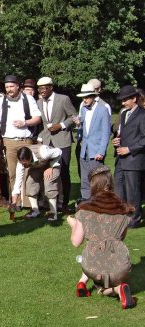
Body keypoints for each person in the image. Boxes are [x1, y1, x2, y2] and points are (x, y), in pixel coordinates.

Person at [67, 166, 136, 309]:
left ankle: (108, 288)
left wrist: (74, 224)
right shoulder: (124, 210)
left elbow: (76, 242)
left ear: (92, 185)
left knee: (100, 286)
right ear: (110, 182)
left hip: (92, 264)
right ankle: (118, 287)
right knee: (109, 274)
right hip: (119, 264)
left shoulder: (84, 209)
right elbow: (121, 237)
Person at [0, 75, 42, 206]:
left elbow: (37, 118)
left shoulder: (28, 98)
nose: (9, 89)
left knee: (29, 172)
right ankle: (16, 202)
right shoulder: (1, 101)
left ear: (18, 86)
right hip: (9, 142)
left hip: (26, 140)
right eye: (7, 87)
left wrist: (25, 122)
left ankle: (31, 202)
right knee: (13, 173)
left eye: (11, 86)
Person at [37, 77, 77, 214]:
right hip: (47, 142)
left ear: (51, 87)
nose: (42, 91)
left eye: (44, 88)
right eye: (39, 88)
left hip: (62, 140)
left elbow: (74, 116)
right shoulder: (38, 102)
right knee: (49, 173)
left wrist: (61, 125)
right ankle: (52, 204)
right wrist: (40, 138)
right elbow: (41, 124)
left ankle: (64, 204)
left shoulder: (63, 99)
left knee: (64, 172)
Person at [112, 85, 145, 229]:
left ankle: (135, 219)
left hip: (134, 159)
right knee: (119, 188)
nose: (123, 103)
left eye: (125, 100)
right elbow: (126, 134)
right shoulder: (125, 114)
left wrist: (129, 149)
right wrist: (117, 141)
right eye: (122, 100)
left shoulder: (143, 115)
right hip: (121, 159)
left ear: (134, 98)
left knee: (133, 191)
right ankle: (124, 214)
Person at [73, 84, 110, 202]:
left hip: (96, 150)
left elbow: (106, 132)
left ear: (93, 96)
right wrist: (79, 124)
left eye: (87, 97)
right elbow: (83, 129)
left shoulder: (103, 109)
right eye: (83, 97)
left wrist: (101, 151)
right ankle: (86, 201)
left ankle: (98, 202)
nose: (84, 99)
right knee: (84, 178)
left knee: (97, 179)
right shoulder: (83, 109)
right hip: (84, 149)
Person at [11, 145, 62, 221]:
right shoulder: (21, 163)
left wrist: (51, 166)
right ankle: (35, 211)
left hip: (52, 162)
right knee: (29, 183)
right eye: (22, 164)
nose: (23, 166)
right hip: (38, 165)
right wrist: (14, 201)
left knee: (49, 183)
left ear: (30, 157)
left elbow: (59, 151)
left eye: (25, 164)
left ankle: (53, 213)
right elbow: (18, 181)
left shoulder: (44, 153)